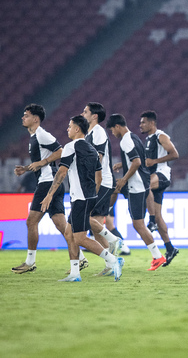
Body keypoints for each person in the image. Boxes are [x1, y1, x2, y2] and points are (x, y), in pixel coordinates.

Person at [40, 116, 123, 282]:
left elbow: (62, 172)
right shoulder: (92, 149)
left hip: (80, 198)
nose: (67, 129)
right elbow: (98, 177)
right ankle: (75, 273)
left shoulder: (71, 147)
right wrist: (92, 193)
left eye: (70, 126)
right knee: (69, 233)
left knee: (80, 238)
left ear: (77, 129)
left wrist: (49, 194)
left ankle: (113, 260)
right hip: (88, 197)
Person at [12, 104, 70, 274]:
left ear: (35, 119)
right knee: (61, 225)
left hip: (47, 183)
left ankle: (30, 262)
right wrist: (26, 168)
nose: (23, 118)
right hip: (52, 183)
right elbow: (42, 161)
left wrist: (42, 163)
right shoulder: (34, 137)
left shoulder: (41, 134)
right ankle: (80, 258)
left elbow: (61, 151)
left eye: (26, 115)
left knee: (31, 221)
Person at [106, 114, 166, 271]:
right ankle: (103, 214)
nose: (112, 133)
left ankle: (158, 256)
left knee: (138, 224)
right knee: (114, 189)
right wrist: (123, 164)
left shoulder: (126, 140)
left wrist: (124, 178)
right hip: (139, 183)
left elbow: (137, 162)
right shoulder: (133, 137)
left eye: (112, 129)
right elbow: (139, 158)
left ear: (118, 126)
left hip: (136, 186)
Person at [81, 102, 124, 276]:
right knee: (96, 227)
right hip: (98, 181)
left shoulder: (98, 132)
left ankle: (114, 240)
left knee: (85, 216)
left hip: (103, 182)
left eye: (85, 112)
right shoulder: (89, 133)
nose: (82, 114)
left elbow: (98, 157)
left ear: (94, 116)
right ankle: (111, 263)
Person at [139, 110, 180, 266]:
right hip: (154, 176)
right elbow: (144, 161)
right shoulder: (148, 140)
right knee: (159, 215)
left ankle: (151, 221)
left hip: (161, 174)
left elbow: (175, 154)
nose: (140, 125)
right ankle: (170, 248)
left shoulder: (161, 136)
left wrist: (155, 161)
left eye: (143, 122)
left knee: (145, 185)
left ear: (152, 123)